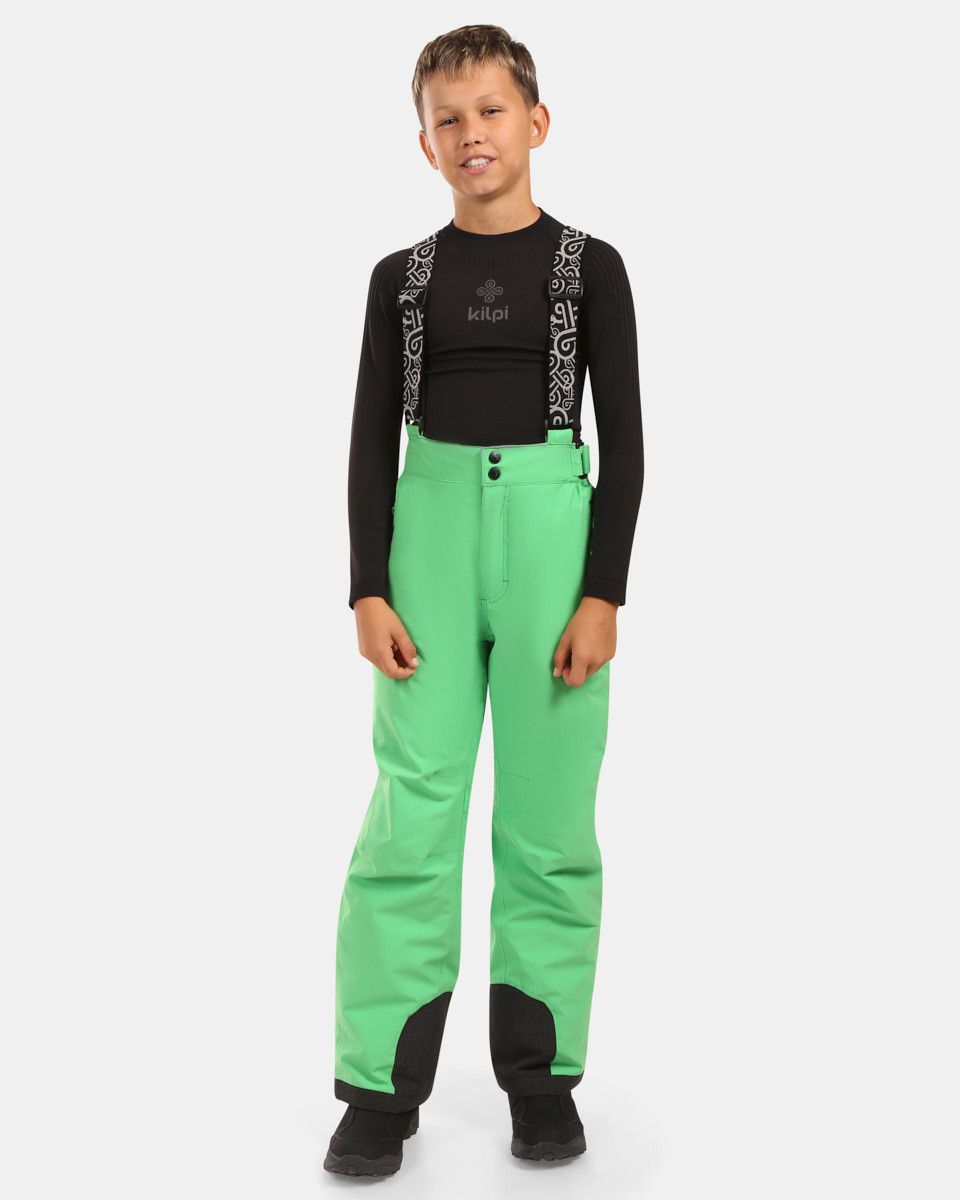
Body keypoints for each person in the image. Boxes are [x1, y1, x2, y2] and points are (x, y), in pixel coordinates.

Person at [324, 24, 645, 1178]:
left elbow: (628, 443)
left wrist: (602, 592)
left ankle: (540, 1082)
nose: (472, 134)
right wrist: (369, 585)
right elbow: (370, 440)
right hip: (431, 530)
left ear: (536, 122)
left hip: (555, 532)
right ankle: (379, 1089)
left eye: (491, 111)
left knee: (549, 822)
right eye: (448, 119)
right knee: (414, 810)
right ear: (425, 144)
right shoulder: (400, 280)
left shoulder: (590, 267)